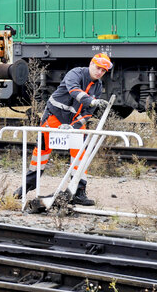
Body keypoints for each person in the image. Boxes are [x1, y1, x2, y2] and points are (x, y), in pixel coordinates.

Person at [14, 53, 113, 206]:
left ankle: (78, 192)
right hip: (54, 116)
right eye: (98, 68)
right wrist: (92, 101)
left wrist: (74, 126)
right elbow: (74, 90)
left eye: (103, 71)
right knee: (41, 153)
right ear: (91, 64)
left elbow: (87, 114)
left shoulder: (98, 86)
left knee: (80, 155)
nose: (99, 72)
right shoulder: (75, 73)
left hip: (75, 122)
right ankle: (25, 188)